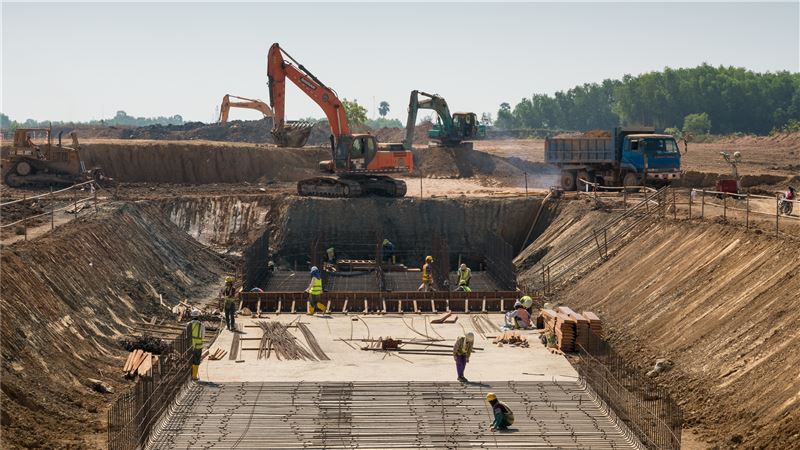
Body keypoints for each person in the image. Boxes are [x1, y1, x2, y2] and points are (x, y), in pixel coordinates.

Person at [186, 309, 205, 382]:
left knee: (190, 360)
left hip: (190, 345)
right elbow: (203, 336)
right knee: (196, 361)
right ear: (198, 316)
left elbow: (186, 334)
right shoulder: (201, 325)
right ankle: (194, 376)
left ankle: (189, 376)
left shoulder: (188, 324)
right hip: (198, 346)